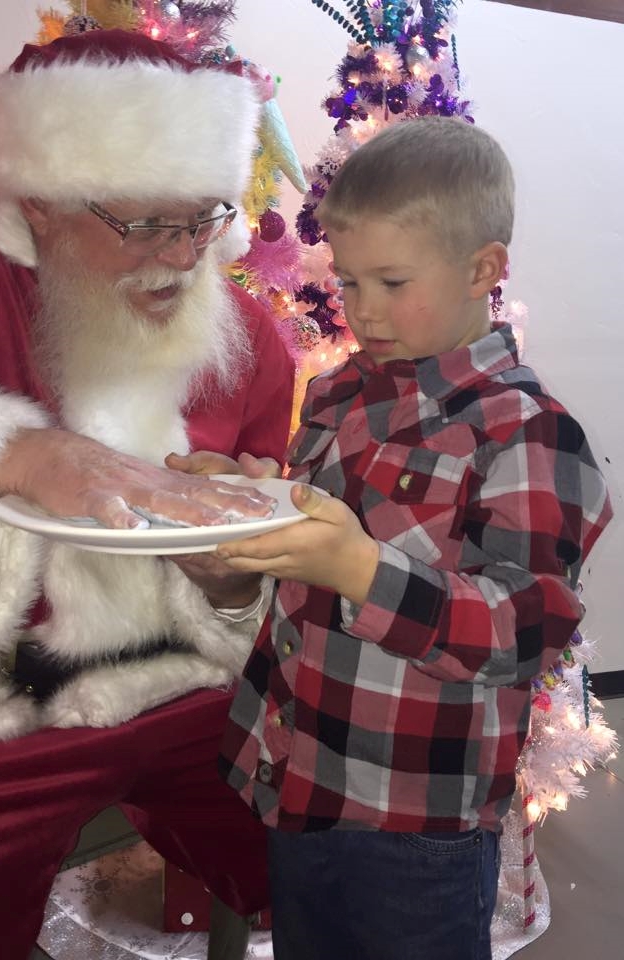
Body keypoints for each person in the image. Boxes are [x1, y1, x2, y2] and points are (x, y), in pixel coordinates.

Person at [0, 29, 295, 960]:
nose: (184, 258)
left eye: (203, 219)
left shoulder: (244, 339)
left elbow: (266, 567)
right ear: (41, 201)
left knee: (346, 816)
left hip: (189, 687)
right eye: (145, 224)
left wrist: (233, 583)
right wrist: (7, 450)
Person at [211, 117, 613, 960]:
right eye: (350, 280)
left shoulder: (527, 432)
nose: (362, 309)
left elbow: (523, 631)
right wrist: (247, 513)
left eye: (393, 282)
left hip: (415, 819)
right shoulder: (336, 396)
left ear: (483, 270)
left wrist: (361, 569)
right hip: (297, 773)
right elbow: (301, 565)